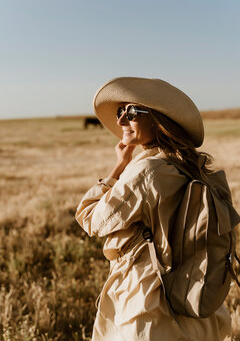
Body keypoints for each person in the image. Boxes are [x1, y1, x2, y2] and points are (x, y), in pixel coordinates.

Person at [75, 77, 232, 341]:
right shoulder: (189, 165)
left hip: (148, 303)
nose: (122, 120)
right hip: (192, 295)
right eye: (120, 112)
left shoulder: (145, 171)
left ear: (159, 121)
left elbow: (91, 219)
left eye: (133, 112)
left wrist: (117, 168)